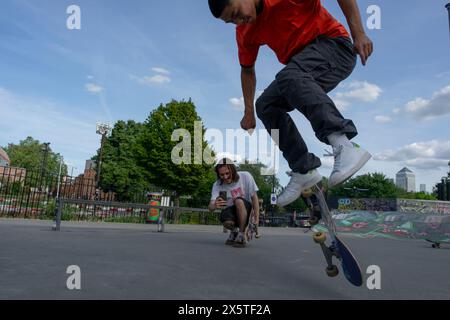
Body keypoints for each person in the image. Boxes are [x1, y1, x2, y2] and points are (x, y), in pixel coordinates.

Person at [207, 0, 373, 207]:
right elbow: (247, 69)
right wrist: (248, 111)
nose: (238, 21)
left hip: (334, 47)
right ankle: (304, 170)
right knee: (266, 105)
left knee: (290, 76)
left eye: (236, 13)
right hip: (301, 69)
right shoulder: (244, 31)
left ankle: (343, 144)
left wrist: (358, 33)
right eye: (231, 21)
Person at [208, 158, 260, 247]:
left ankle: (241, 234)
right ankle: (234, 231)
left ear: (233, 170)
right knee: (226, 220)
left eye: (227, 173)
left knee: (238, 201)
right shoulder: (217, 185)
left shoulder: (245, 176)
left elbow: (255, 198)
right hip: (232, 212)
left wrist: (256, 219)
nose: (225, 177)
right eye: (221, 175)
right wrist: (214, 205)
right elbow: (210, 207)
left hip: (246, 210)